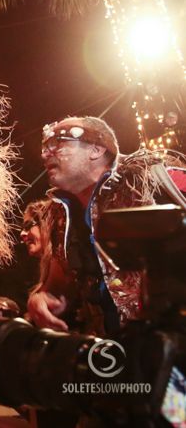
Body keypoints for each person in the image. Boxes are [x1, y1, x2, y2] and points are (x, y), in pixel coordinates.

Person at [26, 116, 185, 336]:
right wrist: (40, 299)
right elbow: (55, 286)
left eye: (59, 143)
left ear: (96, 150)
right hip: (117, 356)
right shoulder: (60, 218)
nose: (46, 154)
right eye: (45, 147)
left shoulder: (156, 180)